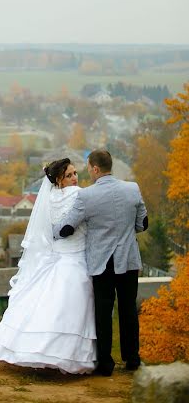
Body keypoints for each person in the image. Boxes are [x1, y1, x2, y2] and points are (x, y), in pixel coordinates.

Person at [0, 158, 97, 374]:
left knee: (43, 304)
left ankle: (30, 348)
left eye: (76, 173)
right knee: (70, 307)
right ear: (58, 179)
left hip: (55, 257)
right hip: (74, 259)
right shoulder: (79, 195)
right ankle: (65, 355)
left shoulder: (48, 198)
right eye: (70, 175)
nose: (75, 178)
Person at [52, 149, 148, 376]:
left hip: (101, 264)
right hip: (128, 261)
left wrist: (50, 232)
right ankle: (132, 359)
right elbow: (143, 224)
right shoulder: (132, 189)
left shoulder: (86, 196)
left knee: (103, 312)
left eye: (88, 167)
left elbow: (67, 228)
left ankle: (106, 364)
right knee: (128, 310)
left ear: (95, 168)